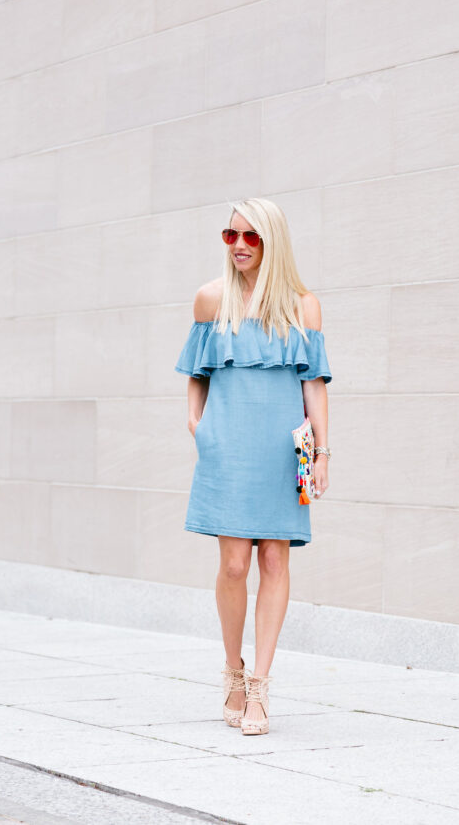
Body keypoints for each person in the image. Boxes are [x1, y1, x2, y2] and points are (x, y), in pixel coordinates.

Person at [174, 197, 332, 735]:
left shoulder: (303, 306)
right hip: (228, 448)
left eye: (250, 237)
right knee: (234, 565)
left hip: (281, 452)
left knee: (275, 563)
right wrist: (198, 425)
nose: (238, 245)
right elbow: (197, 375)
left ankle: (260, 686)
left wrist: (324, 453)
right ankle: (232, 671)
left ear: (272, 241)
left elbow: (313, 385)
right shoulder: (209, 300)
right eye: (230, 235)